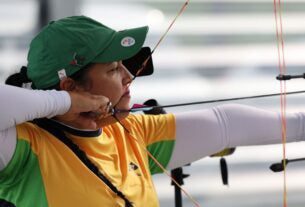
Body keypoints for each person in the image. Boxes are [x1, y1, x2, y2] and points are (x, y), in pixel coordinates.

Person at [0, 15, 304, 207]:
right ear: (70, 86)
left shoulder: (131, 131)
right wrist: (69, 103)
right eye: (113, 69)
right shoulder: (24, 149)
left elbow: (226, 124)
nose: (128, 77)